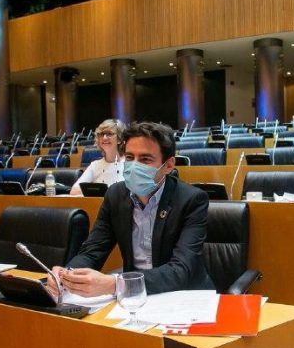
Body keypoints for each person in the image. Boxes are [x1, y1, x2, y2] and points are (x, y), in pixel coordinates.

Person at [47, 121, 214, 297]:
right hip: (134, 295)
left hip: (184, 295)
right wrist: (68, 274)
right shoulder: (115, 195)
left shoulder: (192, 200)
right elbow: (92, 251)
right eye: (129, 157)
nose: (134, 166)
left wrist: (115, 284)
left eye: (145, 159)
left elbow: (181, 270)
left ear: (169, 165)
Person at [69, 119, 126, 196]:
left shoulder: (130, 164)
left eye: (109, 134)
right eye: (101, 134)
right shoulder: (95, 165)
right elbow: (74, 191)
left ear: (119, 139)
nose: (104, 137)